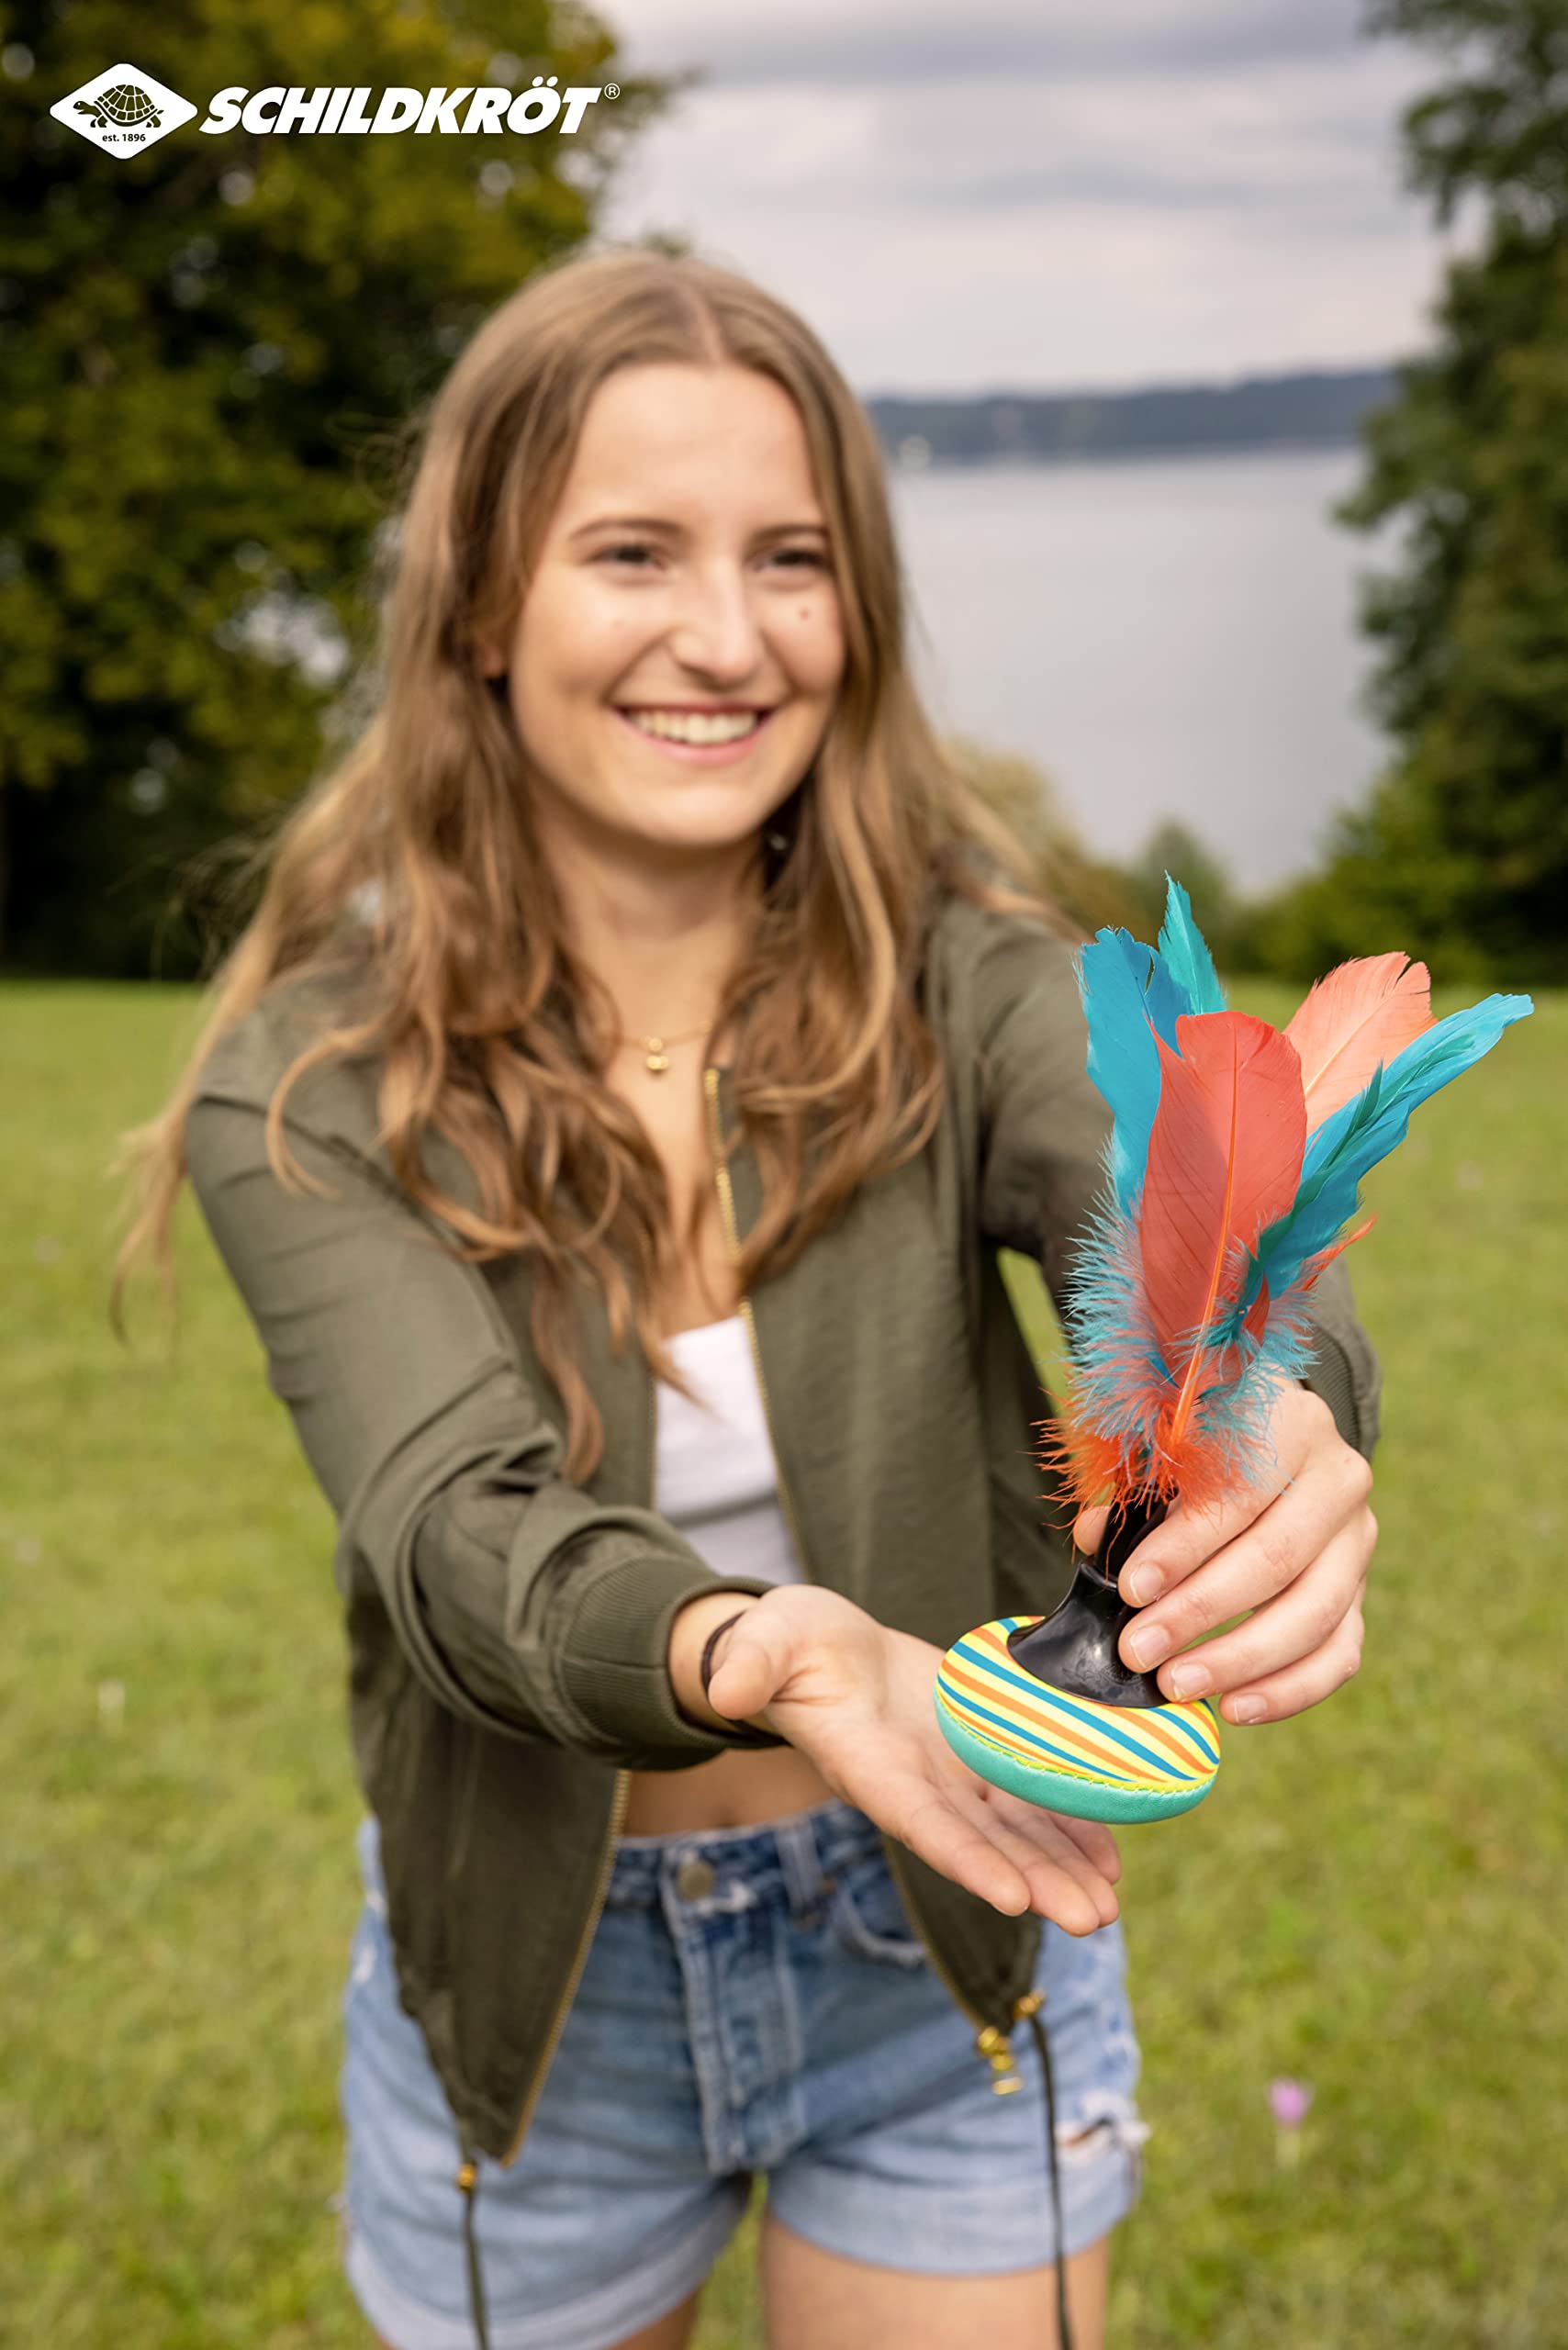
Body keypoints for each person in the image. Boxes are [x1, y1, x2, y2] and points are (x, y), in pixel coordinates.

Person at [111, 246, 1381, 2350]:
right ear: (485, 606)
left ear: (854, 607)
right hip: (537, 1991)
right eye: (632, 550)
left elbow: (1206, 1212)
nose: (725, 635)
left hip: (946, 1923)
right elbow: (457, 1528)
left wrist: (1289, 1408)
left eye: (789, 557)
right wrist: (765, 1650)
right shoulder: (314, 1079)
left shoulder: (973, 975)